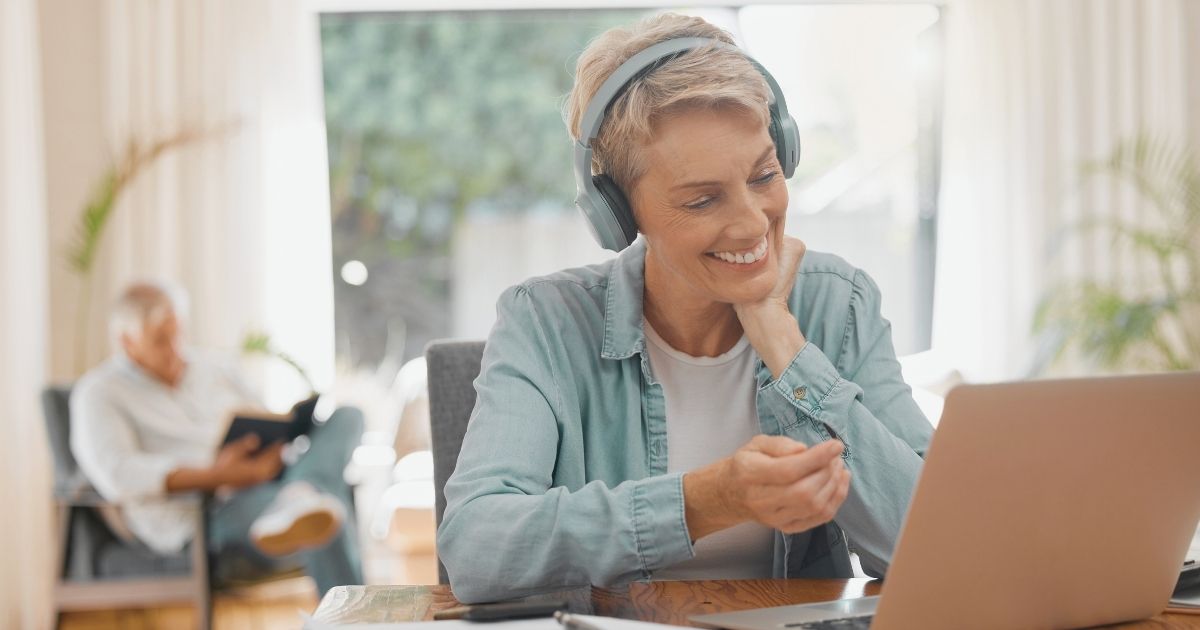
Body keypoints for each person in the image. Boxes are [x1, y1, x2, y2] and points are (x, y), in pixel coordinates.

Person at [436, 13, 934, 603]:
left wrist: (785, 345)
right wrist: (703, 502)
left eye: (764, 175)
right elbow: (478, 548)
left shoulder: (836, 302)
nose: (752, 222)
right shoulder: (544, 322)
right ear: (618, 215)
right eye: (701, 200)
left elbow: (936, 544)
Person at [71, 281, 363, 596]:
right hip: (206, 512)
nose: (175, 349)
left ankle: (300, 491)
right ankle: (303, 498)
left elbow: (264, 416)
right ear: (127, 342)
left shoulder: (216, 368)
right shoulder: (99, 393)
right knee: (323, 508)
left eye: (177, 334)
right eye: (160, 341)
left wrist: (275, 445)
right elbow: (118, 474)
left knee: (348, 416)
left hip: (267, 481)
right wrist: (217, 475)